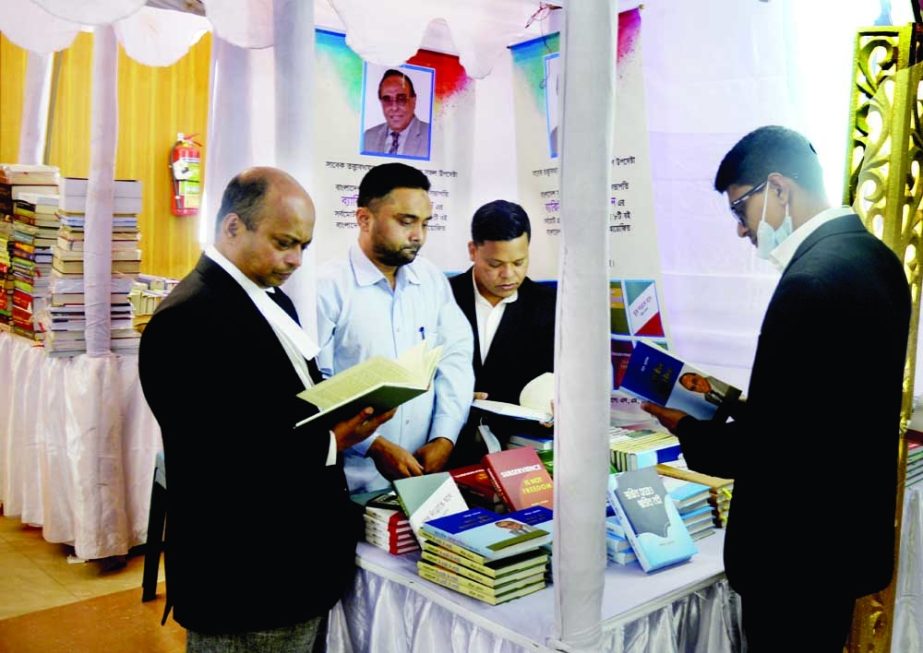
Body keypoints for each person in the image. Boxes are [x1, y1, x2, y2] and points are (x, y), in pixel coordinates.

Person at [642, 126, 910, 652]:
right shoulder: (878, 260)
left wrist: (689, 429)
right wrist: (741, 402)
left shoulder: (810, 280)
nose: (741, 230)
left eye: (740, 209)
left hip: (794, 553)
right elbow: (832, 407)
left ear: (780, 188)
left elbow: (772, 448)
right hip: (845, 536)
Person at [138, 167, 394, 652]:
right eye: (284, 242)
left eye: (303, 245)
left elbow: (281, 405)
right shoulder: (187, 320)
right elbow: (219, 458)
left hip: (294, 564)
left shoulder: (269, 299)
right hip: (246, 576)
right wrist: (334, 439)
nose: (296, 259)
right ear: (233, 227)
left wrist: (348, 404)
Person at [316, 162, 474, 492]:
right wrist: (372, 445)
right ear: (364, 219)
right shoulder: (327, 287)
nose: (418, 235)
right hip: (350, 480)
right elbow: (320, 385)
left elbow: (455, 359)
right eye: (406, 222)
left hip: (422, 472)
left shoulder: (430, 280)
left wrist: (444, 436)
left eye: (425, 223)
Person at [448, 200, 556, 465]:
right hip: (444, 449)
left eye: (519, 262)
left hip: (520, 452)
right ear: (473, 251)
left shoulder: (550, 307)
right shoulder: (442, 296)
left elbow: (563, 377)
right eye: (495, 264)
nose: (509, 274)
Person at [363, 69, 431, 159]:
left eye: (401, 99)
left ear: (414, 101)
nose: (394, 107)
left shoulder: (433, 136)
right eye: (387, 99)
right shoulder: (367, 138)